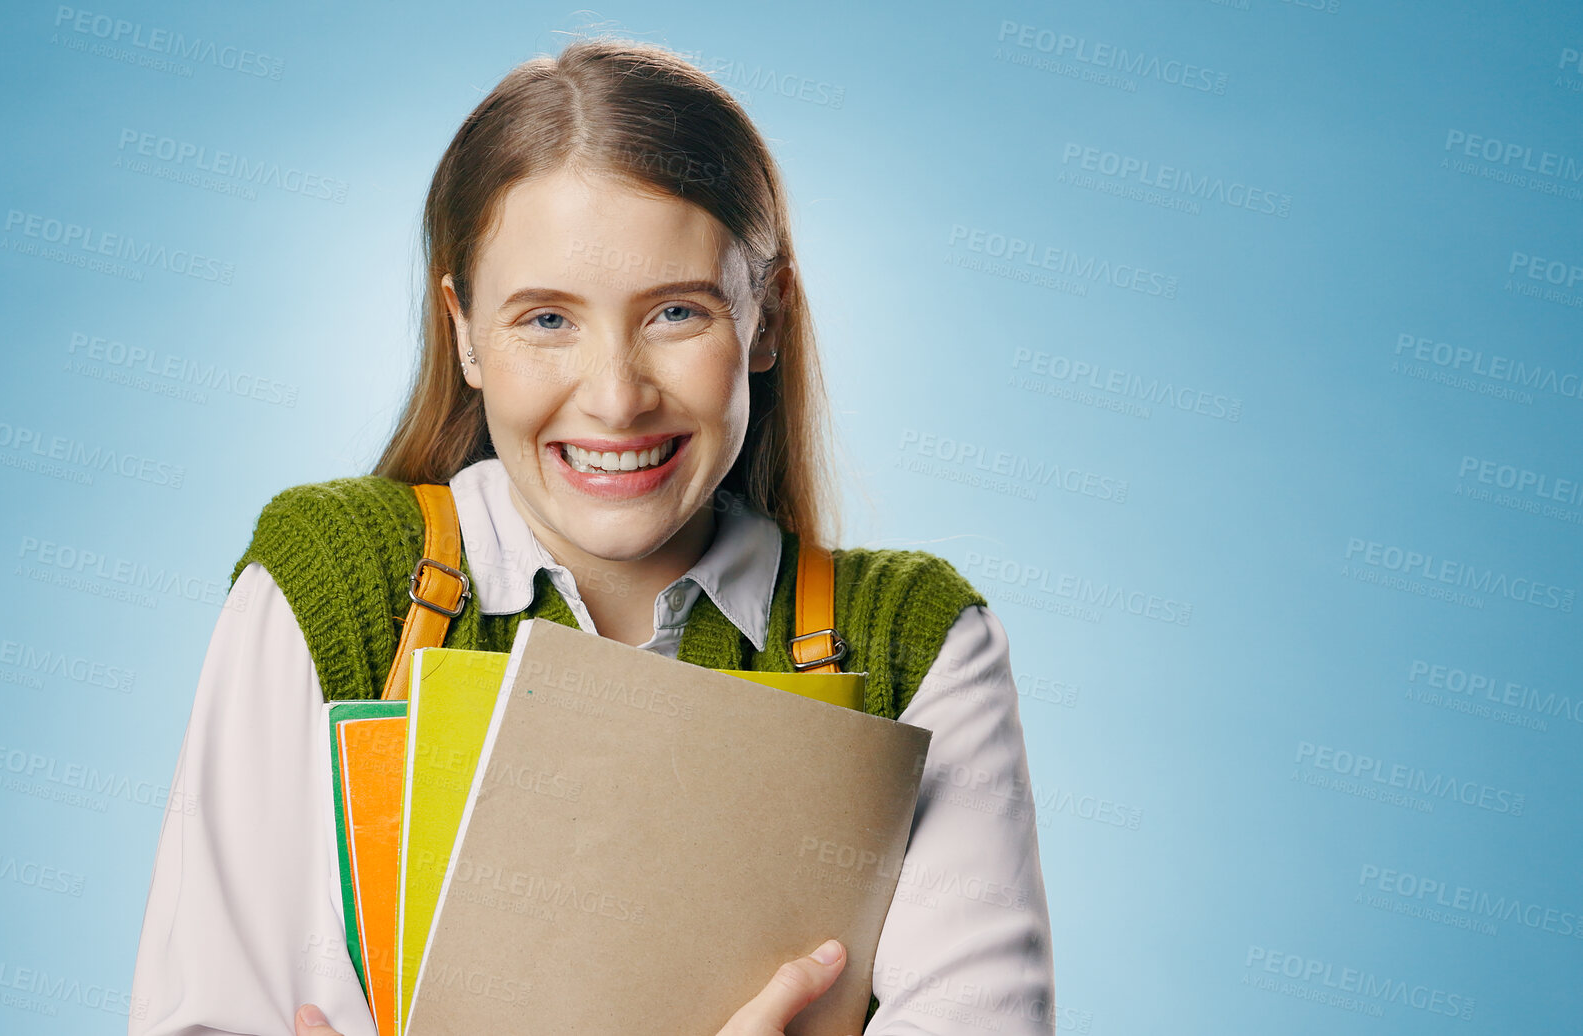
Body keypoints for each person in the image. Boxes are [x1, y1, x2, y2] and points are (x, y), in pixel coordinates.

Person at [129, 36, 1053, 1036]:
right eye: (545, 320)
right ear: (464, 332)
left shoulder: (915, 644)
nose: (615, 398)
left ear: (767, 320)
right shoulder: (333, 582)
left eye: (675, 311)